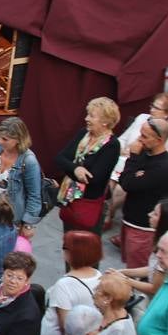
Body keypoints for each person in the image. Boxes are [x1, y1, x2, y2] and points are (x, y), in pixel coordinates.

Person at [117, 117, 168, 267]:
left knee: (137, 270)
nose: (139, 139)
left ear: (159, 139)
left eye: (145, 136)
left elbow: (127, 183)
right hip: (130, 219)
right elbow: (126, 178)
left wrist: (133, 158)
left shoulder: (164, 167)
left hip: (143, 228)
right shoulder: (145, 153)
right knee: (129, 264)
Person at [54, 97, 121, 234]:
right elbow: (59, 158)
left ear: (105, 122)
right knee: (68, 243)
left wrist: (70, 168)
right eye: (87, 114)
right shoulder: (83, 134)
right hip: (70, 199)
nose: (86, 118)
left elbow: (94, 179)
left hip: (88, 204)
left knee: (84, 249)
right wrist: (76, 169)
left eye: (92, 116)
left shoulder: (112, 145)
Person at [0, 116, 44, 233]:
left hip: (10, 217)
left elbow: (34, 195)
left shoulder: (29, 161)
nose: (0, 141)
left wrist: (27, 224)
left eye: (5, 139)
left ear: (18, 139)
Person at [38, 230, 104, 335]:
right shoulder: (98, 275)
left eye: (65, 248)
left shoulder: (64, 285)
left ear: (71, 254)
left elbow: (66, 326)